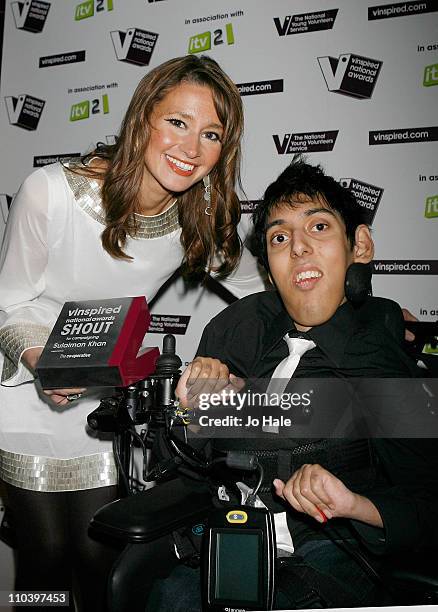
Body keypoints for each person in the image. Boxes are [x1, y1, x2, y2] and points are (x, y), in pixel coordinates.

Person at [0, 55, 266, 610]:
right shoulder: (49, 192)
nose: (191, 149)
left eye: (211, 133)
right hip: (26, 389)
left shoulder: (203, 213)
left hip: (101, 406)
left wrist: (333, 302)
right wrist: (39, 361)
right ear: (143, 117)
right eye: (177, 122)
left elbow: (254, 291)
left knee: (99, 557)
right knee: (42, 558)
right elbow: (9, 302)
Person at [152, 158, 438, 610]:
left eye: (319, 227)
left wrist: (354, 504)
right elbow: (185, 468)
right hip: (229, 537)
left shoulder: (377, 355)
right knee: (173, 596)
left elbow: (429, 503)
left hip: (332, 550)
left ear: (358, 245)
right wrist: (192, 411)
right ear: (268, 266)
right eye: (280, 237)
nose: (299, 248)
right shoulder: (238, 334)